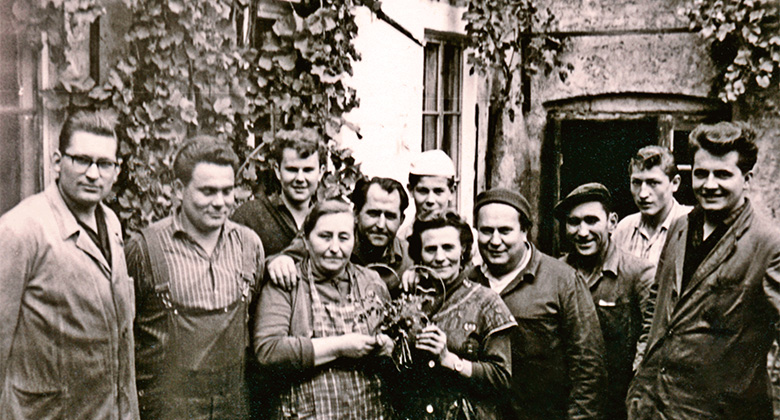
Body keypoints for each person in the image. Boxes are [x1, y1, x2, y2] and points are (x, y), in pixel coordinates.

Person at [627, 122, 780, 420]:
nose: (710, 184)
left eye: (723, 174)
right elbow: (658, 300)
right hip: (655, 405)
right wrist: (641, 370)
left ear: (746, 179)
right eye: (701, 173)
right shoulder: (681, 226)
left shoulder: (768, 244)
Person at [0, 110, 138, 419]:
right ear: (57, 161)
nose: (93, 174)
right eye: (81, 160)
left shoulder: (112, 223)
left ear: (117, 170)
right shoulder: (21, 229)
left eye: (104, 164)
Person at [126, 136, 265, 420]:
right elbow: (121, 338)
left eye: (228, 191)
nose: (220, 203)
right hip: (167, 410)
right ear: (179, 189)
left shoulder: (249, 245)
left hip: (233, 408)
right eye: (208, 191)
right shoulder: (143, 249)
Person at [465, 188, 606, 420]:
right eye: (486, 231)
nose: (495, 241)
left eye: (505, 231)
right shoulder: (468, 282)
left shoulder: (563, 280)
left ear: (525, 231)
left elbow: (588, 367)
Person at [253, 199, 394, 419]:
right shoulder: (287, 282)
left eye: (344, 237)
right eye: (325, 237)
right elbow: (269, 351)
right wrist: (339, 347)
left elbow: (393, 343)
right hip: (306, 412)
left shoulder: (371, 281)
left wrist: (387, 346)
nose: (335, 248)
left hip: (368, 411)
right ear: (306, 241)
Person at [395, 211, 516, 420]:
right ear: (419, 254)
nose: (440, 258)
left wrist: (449, 359)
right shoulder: (409, 301)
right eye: (430, 249)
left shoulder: (486, 302)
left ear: (463, 250)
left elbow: (501, 379)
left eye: (448, 248)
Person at [555, 183, 654, 420]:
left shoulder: (639, 274)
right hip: (565, 405)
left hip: (619, 407)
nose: (582, 231)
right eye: (573, 222)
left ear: (612, 222)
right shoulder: (555, 273)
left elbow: (652, 339)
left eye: (591, 221)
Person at [266, 176, 413, 293]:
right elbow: (281, 260)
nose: (381, 225)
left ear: (401, 220)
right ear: (355, 214)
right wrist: (281, 261)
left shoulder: (410, 257)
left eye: (390, 216)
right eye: (373, 214)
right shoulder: (331, 242)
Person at [231, 137, 326, 256]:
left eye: (308, 170)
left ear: (321, 172)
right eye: (292, 170)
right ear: (277, 171)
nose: (300, 178)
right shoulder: (249, 216)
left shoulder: (328, 220)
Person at [613, 145, 692, 266]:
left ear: (675, 183)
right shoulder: (623, 229)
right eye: (637, 182)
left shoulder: (691, 224)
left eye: (653, 183)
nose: (643, 194)